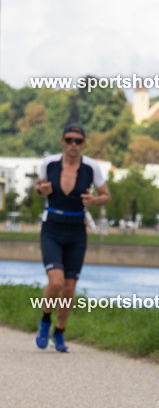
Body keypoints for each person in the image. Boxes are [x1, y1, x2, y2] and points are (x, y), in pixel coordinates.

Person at [33, 122, 110, 352]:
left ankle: (60, 333)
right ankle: (45, 321)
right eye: (69, 140)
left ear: (84, 143)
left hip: (77, 230)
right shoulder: (50, 164)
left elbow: (106, 195)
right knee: (55, 282)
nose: (73, 145)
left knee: (69, 287)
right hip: (52, 227)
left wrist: (94, 200)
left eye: (78, 141)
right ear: (62, 142)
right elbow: (38, 186)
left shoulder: (91, 168)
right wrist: (41, 190)